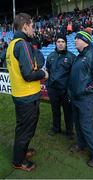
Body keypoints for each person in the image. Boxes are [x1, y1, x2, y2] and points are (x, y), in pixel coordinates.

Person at [6, 13, 48, 172]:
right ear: (25, 26)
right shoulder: (22, 43)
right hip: (26, 96)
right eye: (32, 26)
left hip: (21, 95)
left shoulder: (12, 44)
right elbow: (29, 74)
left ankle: (22, 152)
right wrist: (43, 74)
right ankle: (18, 161)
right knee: (25, 131)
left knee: (24, 129)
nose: (33, 29)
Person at [68, 30, 93, 168]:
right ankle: (81, 144)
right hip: (76, 98)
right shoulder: (79, 57)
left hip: (86, 100)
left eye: (77, 38)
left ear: (85, 40)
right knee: (77, 124)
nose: (75, 40)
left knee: (86, 126)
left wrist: (84, 90)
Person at [46, 34, 76, 138]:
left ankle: (69, 132)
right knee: (55, 110)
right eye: (58, 41)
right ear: (56, 43)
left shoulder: (72, 57)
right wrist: (49, 86)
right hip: (53, 89)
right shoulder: (50, 56)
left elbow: (74, 75)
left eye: (62, 42)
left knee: (68, 112)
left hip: (65, 90)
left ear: (66, 43)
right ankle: (56, 128)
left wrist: (70, 90)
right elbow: (48, 71)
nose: (60, 44)